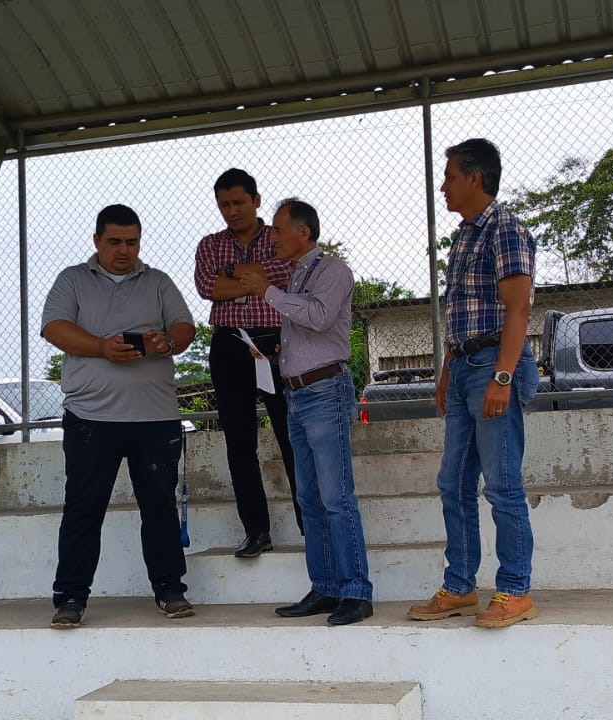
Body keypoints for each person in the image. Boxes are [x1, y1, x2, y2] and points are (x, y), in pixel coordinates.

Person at [41, 203, 198, 628]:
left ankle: (170, 589)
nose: (124, 250)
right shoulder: (72, 279)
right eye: (114, 242)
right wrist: (102, 347)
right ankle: (70, 597)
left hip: (155, 417)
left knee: (159, 508)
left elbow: (185, 327)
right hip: (90, 417)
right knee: (83, 510)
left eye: (132, 242)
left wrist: (166, 342)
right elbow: (53, 328)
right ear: (96, 240)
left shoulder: (159, 281)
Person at [408, 138, 542, 629]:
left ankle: (515, 591)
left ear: (475, 178)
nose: (442, 186)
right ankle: (460, 585)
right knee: (454, 483)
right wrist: (447, 370)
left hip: (493, 365)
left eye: (449, 177)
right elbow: (460, 313)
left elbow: (519, 309)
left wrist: (502, 377)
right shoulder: (465, 235)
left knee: (502, 484)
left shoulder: (505, 229)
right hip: (466, 365)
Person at [236, 198, 374, 626]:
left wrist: (267, 291)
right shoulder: (296, 276)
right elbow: (309, 330)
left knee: (335, 497)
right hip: (296, 394)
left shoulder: (332, 270)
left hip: (324, 391)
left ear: (304, 232)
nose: (272, 238)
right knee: (309, 498)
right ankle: (326, 587)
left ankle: (356, 592)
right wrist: (278, 351)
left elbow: (319, 317)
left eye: (278, 231)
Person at [193, 168, 301, 558]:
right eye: (224, 204)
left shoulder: (278, 238)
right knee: (239, 442)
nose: (232, 211)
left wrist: (232, 279)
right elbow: (207, 286)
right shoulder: (209, 244)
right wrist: (256, 280)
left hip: (275, 341)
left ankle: (311, 524)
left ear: (256, 201)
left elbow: (285, 273)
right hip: (229, 342)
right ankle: (256, 530)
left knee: (291, 435)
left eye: (239, 202)